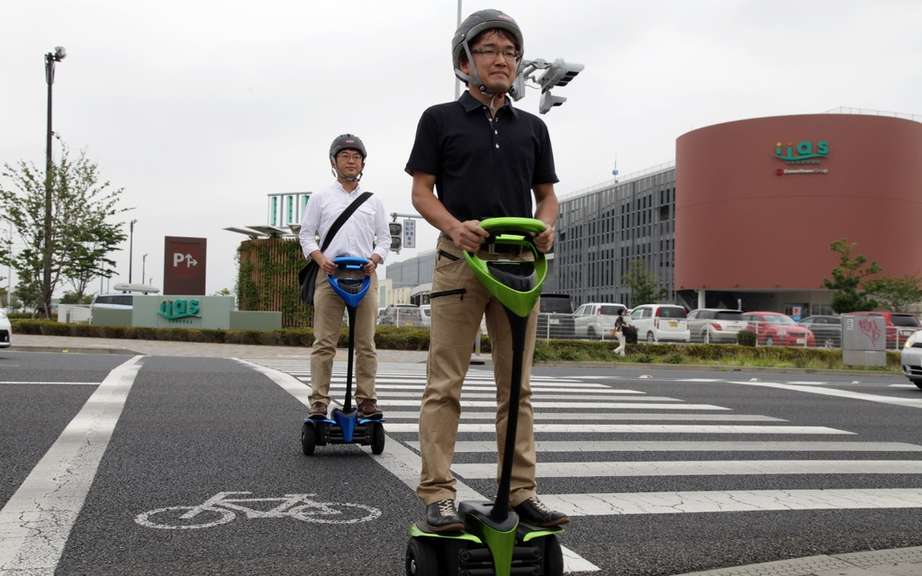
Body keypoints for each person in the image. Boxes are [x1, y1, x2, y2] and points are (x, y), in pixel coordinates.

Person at [405, 9, 569, 532]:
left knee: (516, 387)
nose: (503, 60)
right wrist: (455, 227)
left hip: (521, 264)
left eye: (511, 52)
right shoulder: (439, 119)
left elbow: (547, 198)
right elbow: (421, 192)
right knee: (444, 382)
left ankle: (520, 492)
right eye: (491, 50)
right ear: (464, 62)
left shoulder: (533, 128)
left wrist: (545, 228)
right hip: (461, 262)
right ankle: (438, 493)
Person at [299, 134, 390, 420]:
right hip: (331, 274)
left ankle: (366, 400)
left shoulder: (373, 201)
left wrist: (375, 259)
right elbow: (306, 235)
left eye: (356, 157)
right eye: (345, 156)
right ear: (334, 162)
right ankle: (318, 401)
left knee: (366, 343)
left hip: (364, 275)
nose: (351, 161)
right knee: (324, 342)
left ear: (362, 163)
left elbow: (385, 238)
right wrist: (319, 258)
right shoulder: (320, 197)